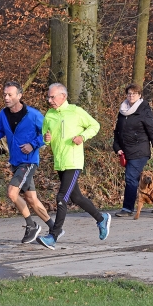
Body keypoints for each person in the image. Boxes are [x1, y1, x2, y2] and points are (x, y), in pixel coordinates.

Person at [36, 83, 111, 250]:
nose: (49, 100)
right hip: (60, 162)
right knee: (76, 197)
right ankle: (101, 218)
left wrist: (82, 136)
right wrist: (46, 138)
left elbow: (95, 126)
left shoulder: (76, 111)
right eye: (48, 97)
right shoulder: (49, 115)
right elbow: (45, 138)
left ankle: (53, 236)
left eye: (52, 97)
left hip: (74, 161)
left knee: (62, 198)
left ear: (63, 96)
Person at [0, 81, 55, 243]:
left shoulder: (33, 115)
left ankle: (31, 225)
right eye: (4, 94)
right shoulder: (3, 114)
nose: (6, 97)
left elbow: (48, 134)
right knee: (31, 199)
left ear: (19, 96)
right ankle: (54, 228)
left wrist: (33, 144)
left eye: (10, 94)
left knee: (12, 193)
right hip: (15, 162)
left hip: (29, 161)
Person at [112, 83, 153, 217]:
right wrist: (117, 147)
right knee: (141, 179)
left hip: (140, 151)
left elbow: (152, 131)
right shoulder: (123, 111)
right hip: (126, 151)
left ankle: (128, 209)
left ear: (139, 95)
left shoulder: (144, 111)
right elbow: (117, 132)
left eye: (134, 93)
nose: (131, 96)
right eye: (129, 93)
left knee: (130, 178)